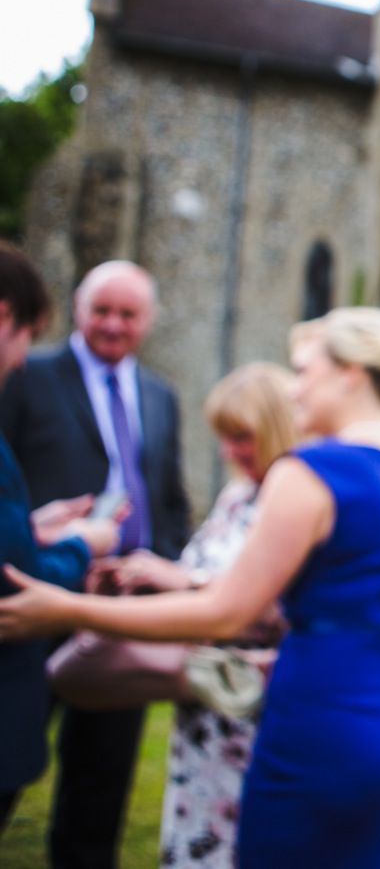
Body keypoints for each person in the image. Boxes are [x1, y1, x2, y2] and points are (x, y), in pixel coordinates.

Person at [0, 307, 380, 867]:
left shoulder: (310, 472)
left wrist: (67, 607)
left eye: (303, 371)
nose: (294, 390)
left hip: (322, 718)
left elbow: (223, 613)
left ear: (350, 374)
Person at [0, 259, 191, 868]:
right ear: (78, 311)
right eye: (101, 310)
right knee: (11, 760)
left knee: (103, 779)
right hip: (33, 600)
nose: (113, 324)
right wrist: (55, 538)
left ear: (149, 320)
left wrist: (164, 575)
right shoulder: (27, 373)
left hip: (122, 610)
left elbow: (167, 497)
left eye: (127, 314)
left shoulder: (161, 395)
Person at [90, 363, 297, 867]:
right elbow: (195, 577)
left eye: (242, 437)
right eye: (224, 438)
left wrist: (185, 583)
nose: (230, 452)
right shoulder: (236, 497)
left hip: (256, 717)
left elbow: (282, 605)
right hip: (204, 718)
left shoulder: (295, 501)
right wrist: (143, 580)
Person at [0, 244, 123, 834]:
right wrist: (83, 544)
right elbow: (13, 590)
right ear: (4, 319)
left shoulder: (157, 393)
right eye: (27, 334)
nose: (22, 360)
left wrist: (28, 527)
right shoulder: (31, 383)